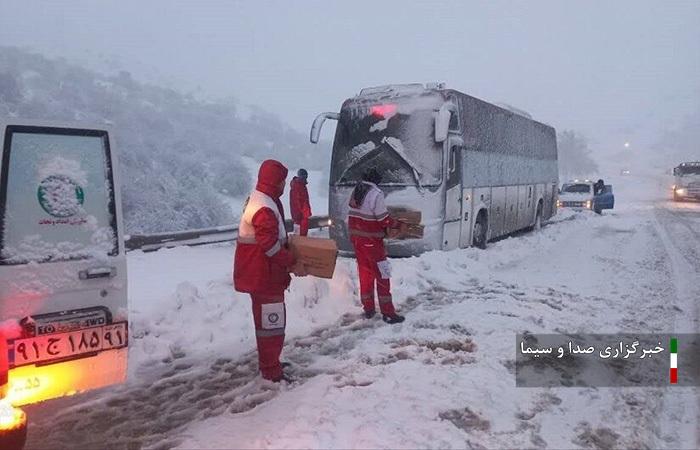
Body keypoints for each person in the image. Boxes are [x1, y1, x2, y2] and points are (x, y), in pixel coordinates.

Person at [234, 159, 305, 382]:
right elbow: (270, 246)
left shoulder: (261, 198)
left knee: (267, 323)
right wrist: (291, 259)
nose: (285, 185)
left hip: (261, 274)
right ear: (277, 182)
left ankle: (270, 362)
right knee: (271, 325)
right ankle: (271, 370)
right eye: (283, 181)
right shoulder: (264, 207)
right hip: (264, 275)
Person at [347, 167, 406, 324]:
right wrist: (397, 223)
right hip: (372, 243)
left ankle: (368, 308)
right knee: (383, 275)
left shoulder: (357, 191)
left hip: (358, 241)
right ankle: (388, 312)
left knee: (365, 274)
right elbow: (383, 219)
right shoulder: (376, 194)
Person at [290, 168, 312, 236]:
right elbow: (299, 202)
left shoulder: (299, 185)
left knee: (299, 236)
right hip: (301, 216)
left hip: (299, 216)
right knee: (301, 237)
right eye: (304, 176)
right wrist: (306, 212)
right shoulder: (298, 186)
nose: (305, 177)